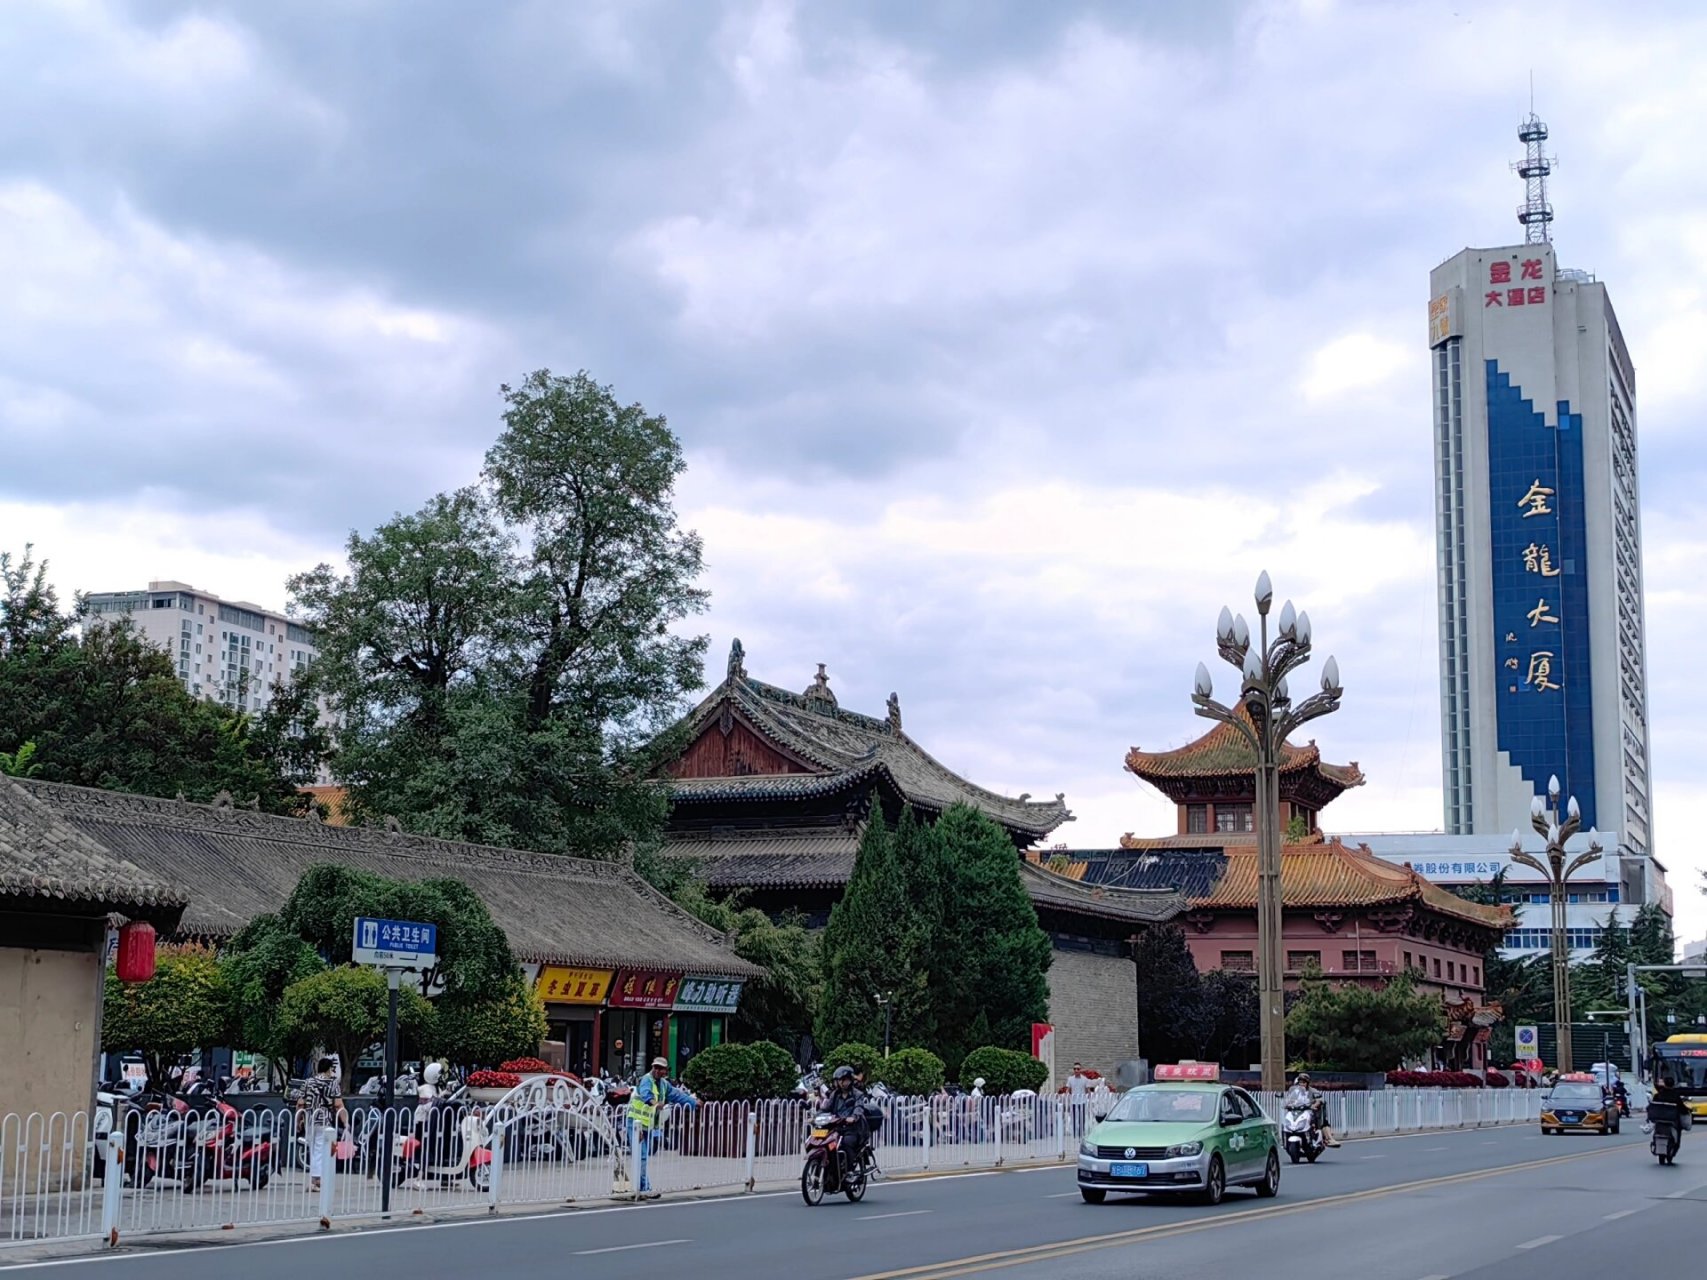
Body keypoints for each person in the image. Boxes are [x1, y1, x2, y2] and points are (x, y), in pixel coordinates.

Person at [626, 1057, 698, 1199]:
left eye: (661, 1068)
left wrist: (694, 1103)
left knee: (644, 1156)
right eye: (656, 1067)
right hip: (636, 1124)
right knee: (641, 1157)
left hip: (648, 1125)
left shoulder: (664, 1084)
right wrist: (655, 1103)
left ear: (666, 1071)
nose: (658, 1070)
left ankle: (642, 1188)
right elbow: (646, 1094)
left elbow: (677, 1096)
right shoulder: (646, 1080)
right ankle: (644, 1189)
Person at [297, 1058, 348, 1193]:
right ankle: (316, 1179)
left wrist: (298, 1120)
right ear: (329, 1069)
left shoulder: (308, 1082)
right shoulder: (332, 1083)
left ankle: (315, 1179)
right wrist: (345, 1122)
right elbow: (338, 1105)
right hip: (324, 1119)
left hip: (310, 1119)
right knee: (320, 1149)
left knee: (313, 1148)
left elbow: (300, 1103)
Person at [826, 1066, 871, 1174]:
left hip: (853, 1129)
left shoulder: (858, 1094)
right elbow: (826, 1108)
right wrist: (816, 1116)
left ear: (850, 1080)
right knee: (825, 1142)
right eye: (839, 1080)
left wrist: (853, 1117)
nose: (842, 1083)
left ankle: (849, 1170)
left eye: (844, 1080)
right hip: (836, 1127)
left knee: (845, 1143)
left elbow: (859, 1108)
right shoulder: (834, 1095)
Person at [1288, 1073, 1340, 1148]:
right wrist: (1288, 1105)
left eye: (1304, 1082)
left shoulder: (1313, 1091)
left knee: (1321, 1122)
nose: (1302, 1084)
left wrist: (1314, 1105)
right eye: (1300, 1082)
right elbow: (1290, 1101)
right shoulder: (1295, 1092)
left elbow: (1319, 1100)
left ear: (1307, 1083)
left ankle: (1328, 1139)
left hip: (1310, 1113)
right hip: (1298, 1113)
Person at [1065, 1063, 1090, 1136]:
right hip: (1073, 1102)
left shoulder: (1084, 1079)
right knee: (1074, 1118)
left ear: (1080, 1070)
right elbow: (1068, 1089)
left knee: (1082, 1118)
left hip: (1082, 1102)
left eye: (1078, 1069)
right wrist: (1067, 1096)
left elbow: (1088, 1090)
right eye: (1074, 1069)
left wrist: (1088, 1098)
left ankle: (1081, 1132)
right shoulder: (1070, 1079)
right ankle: (1075, 1133)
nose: (1076, 1070)